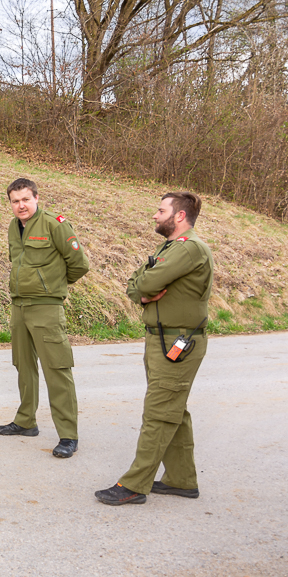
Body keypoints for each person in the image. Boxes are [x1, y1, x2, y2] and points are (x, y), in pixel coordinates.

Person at [96, 192, 212, 506]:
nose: (155, 215)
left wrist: (144, 289)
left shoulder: (189, 249)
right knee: (173, 409)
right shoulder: (169, 248)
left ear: (179, 216)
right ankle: (181, 480)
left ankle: (135, 484)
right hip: (161, 339)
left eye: (161, 210)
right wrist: (143, 293)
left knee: (159, 412)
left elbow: (145, 283)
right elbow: (135, 284)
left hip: (178, 343)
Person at [0, 178, 89, 458]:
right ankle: (26, 421)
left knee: (57, 370)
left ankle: (68, 435)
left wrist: (53, 285)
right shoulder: (13, 227)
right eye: (15, 201)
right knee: (23, 366)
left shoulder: (54, 225)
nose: (21, 205)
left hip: (46, 307)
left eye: (25, 199)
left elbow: (79, 264)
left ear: (36, 198)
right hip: (19, 306)